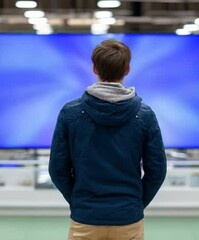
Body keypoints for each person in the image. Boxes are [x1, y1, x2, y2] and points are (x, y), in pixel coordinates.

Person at [49, 39, 167, 240]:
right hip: (128, 219)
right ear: (127, 69)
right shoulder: (145, 115)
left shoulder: (70, 112)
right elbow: (157, 170)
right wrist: (134, 203)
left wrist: (80, 202)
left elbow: (57, 169)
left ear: (94, 68)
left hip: (85, 219)